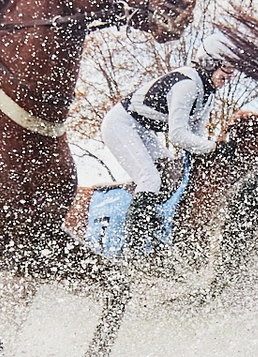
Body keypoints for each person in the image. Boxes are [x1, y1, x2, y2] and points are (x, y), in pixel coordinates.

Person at [100, 55, 234, 252]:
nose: (230, 75)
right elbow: (178, 135)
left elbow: (196, 135)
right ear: (211, 64)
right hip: (120, 124)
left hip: (143, 129)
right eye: (227, 68)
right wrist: (214, 147)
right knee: (150, 179)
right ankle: (132, 251)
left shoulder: (208, 95)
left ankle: (154, 233)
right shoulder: (187, 85)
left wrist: (210, 154)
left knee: (172, 174)